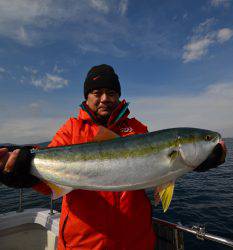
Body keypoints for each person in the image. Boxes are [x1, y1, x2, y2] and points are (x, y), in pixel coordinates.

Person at [0, 64, 156, 250]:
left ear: (118, 96)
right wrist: (25, 174)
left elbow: (157, 169)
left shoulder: (138, 129)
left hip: (137, 243)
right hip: (83, 244)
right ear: (87, 96)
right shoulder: (71, 130)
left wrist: (192, 160)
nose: (105, 99)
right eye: (97, 93)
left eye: (111, 93)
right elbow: (50, 181)